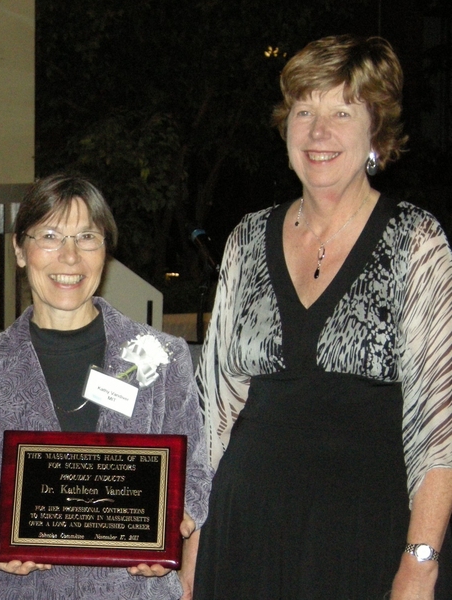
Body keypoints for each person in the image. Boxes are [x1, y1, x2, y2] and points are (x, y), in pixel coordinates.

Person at [194, 35, 452, 599]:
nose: (318, 132)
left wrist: (421, 563)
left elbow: (440, 425)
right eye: (304, 111)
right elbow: (213, 409)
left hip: (367, 536)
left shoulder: (417, 241)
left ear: (375, 133)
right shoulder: (246, 238)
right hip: (243, 532)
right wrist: (190, 545)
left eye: (341, 111)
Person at [0, 174, 212, 599]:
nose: (69, 257)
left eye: (87, 237)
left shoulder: (163, 356)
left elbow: (193, 473)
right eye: (50, 236)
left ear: (105, 251)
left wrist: (176, 520)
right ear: (19, 250)